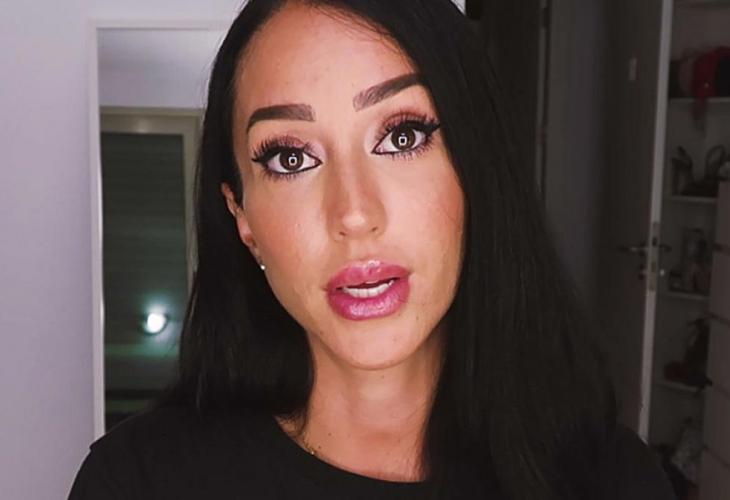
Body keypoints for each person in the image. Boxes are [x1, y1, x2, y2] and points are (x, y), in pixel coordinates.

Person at [69, 0, 677, 498]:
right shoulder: (136, 482)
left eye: (402, 136)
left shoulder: (610, 481)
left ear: (476, 170)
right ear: (243, 219)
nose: (354, 214)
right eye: (291, 158)